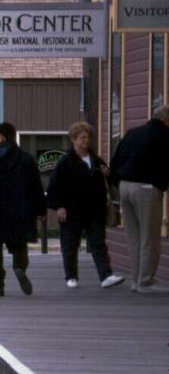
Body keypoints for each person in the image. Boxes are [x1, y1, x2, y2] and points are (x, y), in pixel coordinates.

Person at [46, 122, 125, 290]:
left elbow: (113, 180)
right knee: (70, 243)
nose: (86, 141)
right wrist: (58, 207)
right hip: (71, 210)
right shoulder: (65, 162)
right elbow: (54, 187)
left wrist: (108, 173)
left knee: (98, 242)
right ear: (74, 140)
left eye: (88, 137)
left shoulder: (96, 160)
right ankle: (71, 276)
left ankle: (105, 275)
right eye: (82, 137)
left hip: (95, 210)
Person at [0, 122, 45, 297]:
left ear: (2, 137)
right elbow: (36, 186)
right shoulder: (27, 159)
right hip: (19, 210)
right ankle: (19, 266)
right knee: (19, 244)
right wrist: (40, 209)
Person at [109, 106, 169, 293]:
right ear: (166, 120)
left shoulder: (132, 134)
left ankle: (135, 279)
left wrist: (116, 182)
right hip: (146, 188)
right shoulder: (163, 136)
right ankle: (146, 281)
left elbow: (116, 160)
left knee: (134, 236)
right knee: (149, 237)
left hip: (125, 187)